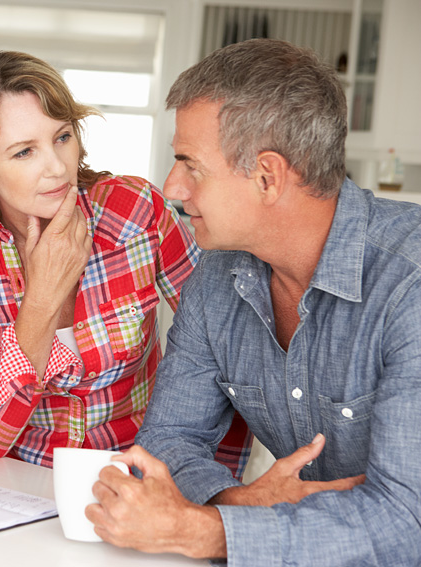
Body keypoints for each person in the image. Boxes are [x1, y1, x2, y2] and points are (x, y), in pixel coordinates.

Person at [87, 38, 421, 566]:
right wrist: (237, 504)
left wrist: (208, 532)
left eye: (190, 165)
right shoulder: (217, 278)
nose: (172, 187)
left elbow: (407, 522)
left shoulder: (411, 287)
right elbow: (167, 444)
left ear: (267, 176)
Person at [0, 50, 251, 470]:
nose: (57, 168)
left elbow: (231, 359)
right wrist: (41, 299)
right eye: (24, 152)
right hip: (27, 483)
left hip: (142, 474)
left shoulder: (135, 213)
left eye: (62, 137)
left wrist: (216, 489)